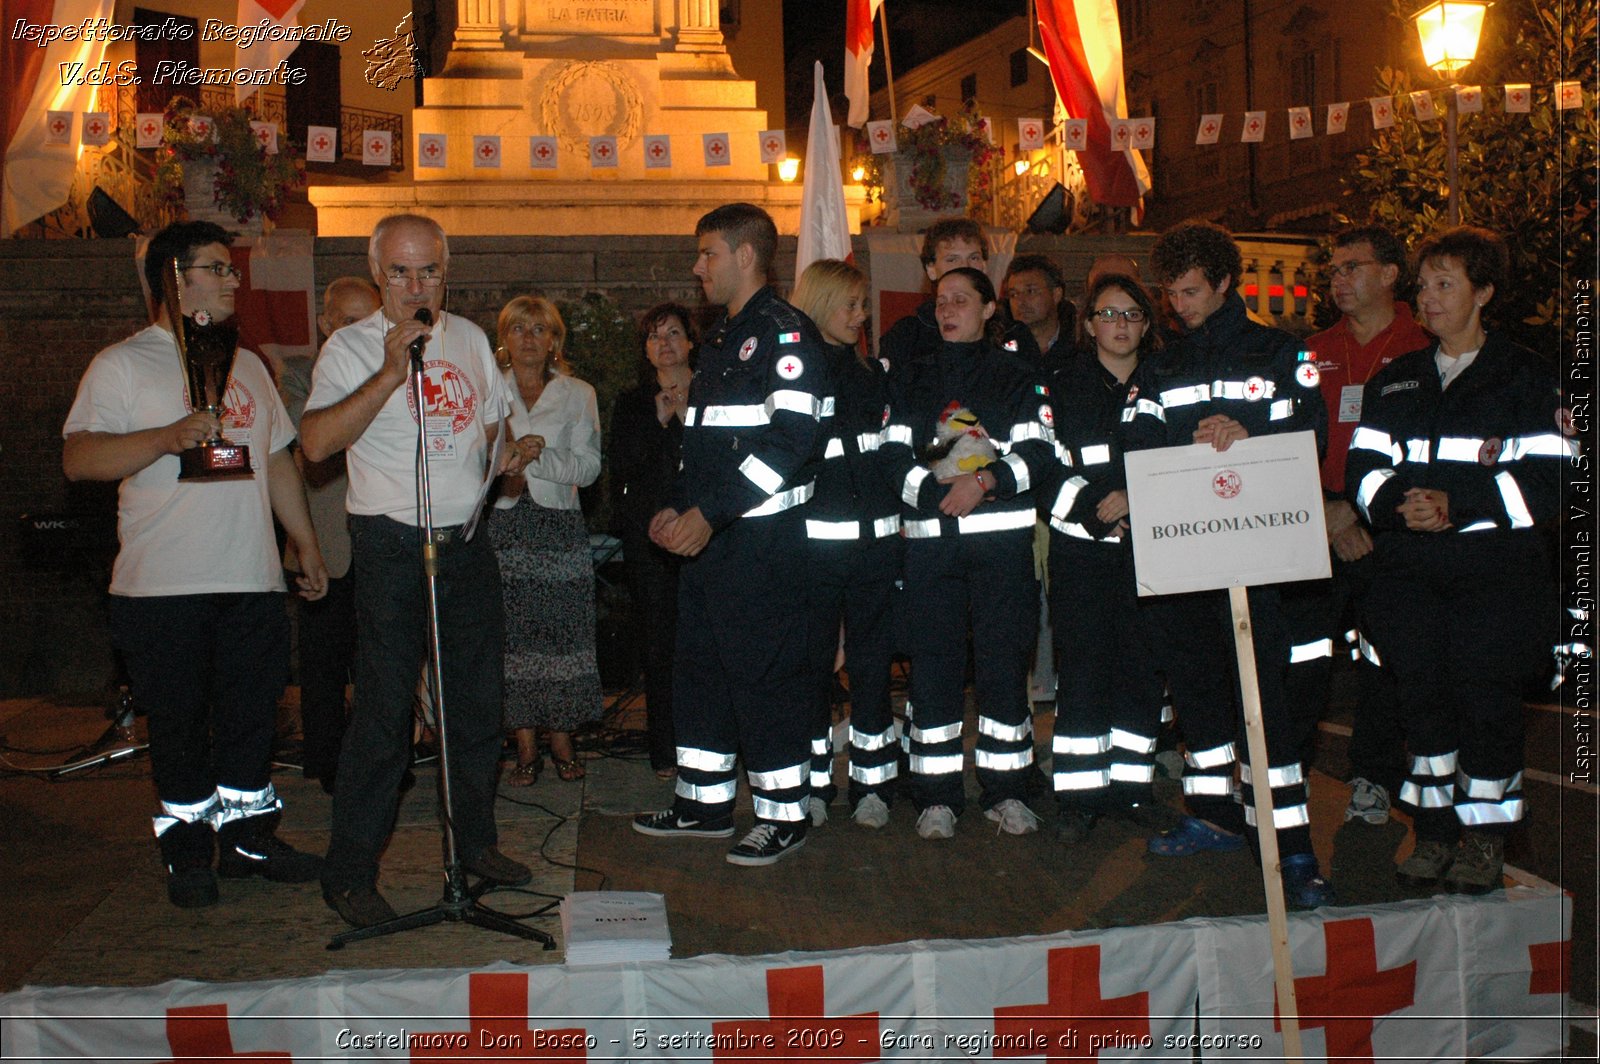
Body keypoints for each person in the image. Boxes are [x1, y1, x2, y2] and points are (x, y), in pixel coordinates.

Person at [62, 220, 328, 909]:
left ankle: (248, 839)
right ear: (176, 279)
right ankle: (187, 854)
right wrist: (164, 437)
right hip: (162, 587)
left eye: (232, 268)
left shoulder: (247, 364)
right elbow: (80, 459)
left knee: (251, 720)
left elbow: (272, 458)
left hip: (250, 579)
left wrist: (304, 542)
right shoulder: (122, 364)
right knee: (179, 725)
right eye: (218, 268)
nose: (234, 279)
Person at [301, 213, 537, 928]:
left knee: (475, 702)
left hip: (463, 541)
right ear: (378, 275)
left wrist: (506, 456)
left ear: (446, 272)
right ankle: (348, 873)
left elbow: (488, 425)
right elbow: (315, 443)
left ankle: (474, 844)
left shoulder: (465, 338)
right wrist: (387, 371)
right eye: (400, 272)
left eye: (427, 271)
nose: (414, 286)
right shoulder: (350, 348)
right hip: (392, 545)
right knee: (383, 711)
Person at [1347, 226, 1569, 893]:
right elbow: (1363, 465)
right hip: (1411, 579)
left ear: (1484, 293)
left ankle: (1485, 840)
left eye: (1446, 283)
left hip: (1495, 581)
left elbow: (1557, 479)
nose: (1429, 297)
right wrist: (1392, 504)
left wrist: (1459, 502)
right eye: (1425, 284)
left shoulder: (1530, 379)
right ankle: (1435, 832)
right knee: (1425, 711)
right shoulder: (1397, 383)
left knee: (1488, 710)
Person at [1122, 220, 1334, 908]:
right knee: (1201, 695)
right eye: (1170, 292)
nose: (1177, 305)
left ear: (1222, 284)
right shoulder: (1161, 363)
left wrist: (1249, 434)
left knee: (1264, 706)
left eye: (1189, 291)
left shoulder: (1279, 352)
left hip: (1257, 560)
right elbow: (1136, 438)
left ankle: (1291, 849)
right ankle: (1212, 815)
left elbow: (1310, 428)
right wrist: (1189, 440)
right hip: (1185, 560)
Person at [632, 203, 831, 866]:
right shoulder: (720, 341)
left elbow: (793, 440)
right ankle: (704, 804)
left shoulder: (785, 334)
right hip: (713, 545)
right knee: (702, 673)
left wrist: (711, 513)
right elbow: (706, 444)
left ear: (746, 256)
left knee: (765, 679)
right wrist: (676, 509)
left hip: (763, 546)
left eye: (708, 253)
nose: (698, 267)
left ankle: (782, 815)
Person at [880, 267, 1057, 839]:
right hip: (931, 554)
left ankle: (1007, 792)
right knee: (933, 675)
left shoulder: (1017, 376)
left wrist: (984, 483)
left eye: (961, 300)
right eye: (940, 302)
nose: (947, 310)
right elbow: (890, 457)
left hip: (1002, 552)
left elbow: (1040, 452)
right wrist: (935, 492)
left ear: (988, 309)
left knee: (1005, 671)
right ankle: (937, 798)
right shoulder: (911, 376)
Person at [1294, 226, 1430, 826]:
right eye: (1335, 269)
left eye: (1353, 267)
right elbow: (1291, 437)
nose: (1339, 279)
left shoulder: (1425, 343)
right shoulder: (1312, 350)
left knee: (1385, 659)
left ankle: (1374, 778)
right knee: (1301, 656)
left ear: (1391, 274)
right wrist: (1324, 510)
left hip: (1388, 525)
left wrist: (1357, 508)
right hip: (1315, 521)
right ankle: (1285, 772)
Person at [1043, 273, 1165, 843]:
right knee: (1085, 672)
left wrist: (1139, 499)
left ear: (1146, 323)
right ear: (1088, 324)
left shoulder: (1168, 381)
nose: (1120, 325)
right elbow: (1043, 467)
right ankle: (1078, 794)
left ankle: (1131, 789)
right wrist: (1099, 508)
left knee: (1143, 671)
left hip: (1152, 552)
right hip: (1082, 555)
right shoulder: (1059, 385)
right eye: (1109, 314)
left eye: (1132, 314)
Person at [789, 259, 902, 829]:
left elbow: (890, 456)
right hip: (814, 552)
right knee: (811, 670)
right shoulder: (797, 378)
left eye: (864, 307)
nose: (861, 317)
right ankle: (812, 787)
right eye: (851, 305)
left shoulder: (873, 375)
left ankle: (872, 785)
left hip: (877, 550)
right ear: (819, 303)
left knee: (872, 669)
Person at [490, 296, 603, 784]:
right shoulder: (486, 388)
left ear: (555, 340)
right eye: (518, 329)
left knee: (562, 633)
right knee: (512, 637)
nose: (529, 338)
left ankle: (562, 739)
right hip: (504, 523)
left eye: (539, 329)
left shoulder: (579, 393)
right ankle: (524, 747)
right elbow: (472, 457)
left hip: (558, 525)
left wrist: (540, 455)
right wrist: (510, 455)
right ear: (505, 339)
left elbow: (591, 466)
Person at [279, 276, 380, 794]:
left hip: (383, 539)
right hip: (325, 542)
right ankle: (327, 762)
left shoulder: (396, 373)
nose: (359, 332)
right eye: (347, 321)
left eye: (369, 321)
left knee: (381, 664)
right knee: (321, 664)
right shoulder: (298, 377)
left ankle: (383, 761)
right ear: (325, 324)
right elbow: (315, 442)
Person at [608, 303, 697, 779]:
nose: (665, 343)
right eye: (654, 336)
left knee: (704, 645)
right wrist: (660, 425)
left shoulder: (714, 394)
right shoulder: (632, 403)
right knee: (660, 647)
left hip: (706, 537)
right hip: (652, 545)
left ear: (690, 342)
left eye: (674, 333)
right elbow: (621, 471)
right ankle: (666, 750)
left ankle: (714, 740)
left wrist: (687, 417)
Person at [877, 217, 1040, 370]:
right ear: (931, 269)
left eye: (974, 258)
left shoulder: (1012, 333)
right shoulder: (909, 336)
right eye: (952, 259)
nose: (965, 266)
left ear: (984, 265)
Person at [1004, 254, 1076, 369]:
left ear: (1056, 294)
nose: (1020, 302)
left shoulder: (1079, 345)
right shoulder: (1001, 350)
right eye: (1014, 294)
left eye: (1031, 291)